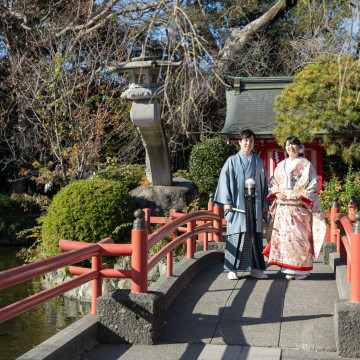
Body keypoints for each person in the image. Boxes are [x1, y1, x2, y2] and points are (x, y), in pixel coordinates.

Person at [263, 136, 326, 280]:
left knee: (300, 237)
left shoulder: (306, 164)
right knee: (285, 239)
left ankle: (302, 270)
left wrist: (302, 195)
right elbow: (273, 183)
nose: (291, 147)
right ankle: (288, 269)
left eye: (293, 145)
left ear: (299, 147)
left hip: (300, 207)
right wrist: (277, 193)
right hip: (284, 207)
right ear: (285, 148)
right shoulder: (281, 165)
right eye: (288, 145)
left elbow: (314, 183)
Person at [214, 129, 269, 280]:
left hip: (255, 204)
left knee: (254, 236)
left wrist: (265, 202)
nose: (248, 143)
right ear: (239, 142)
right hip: (238, 204)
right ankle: (232, 269)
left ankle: (256, 269)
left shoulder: (258, 162)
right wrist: (227, 202)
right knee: (237, 235)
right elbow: (224, 181)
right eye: (245, 140)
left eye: (251, 141)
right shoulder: (232, 161)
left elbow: (264, 184)